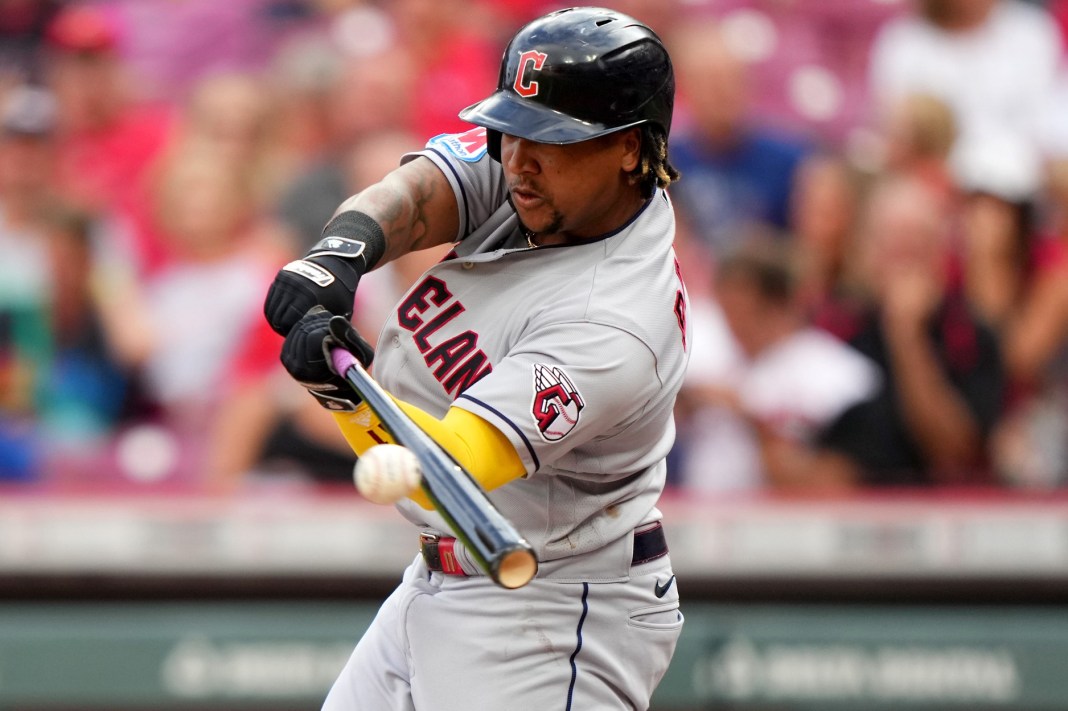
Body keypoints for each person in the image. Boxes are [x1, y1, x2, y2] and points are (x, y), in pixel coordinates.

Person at [263, 7, 687, 709]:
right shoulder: (557, 185)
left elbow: (443, 475)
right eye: (512, 133)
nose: (518, 160)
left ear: (632, 148)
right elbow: (421, 190)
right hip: (447, 577)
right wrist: (341, 251)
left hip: (547, 611)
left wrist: (340, 394)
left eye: (548, 141)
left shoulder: (612, 321)